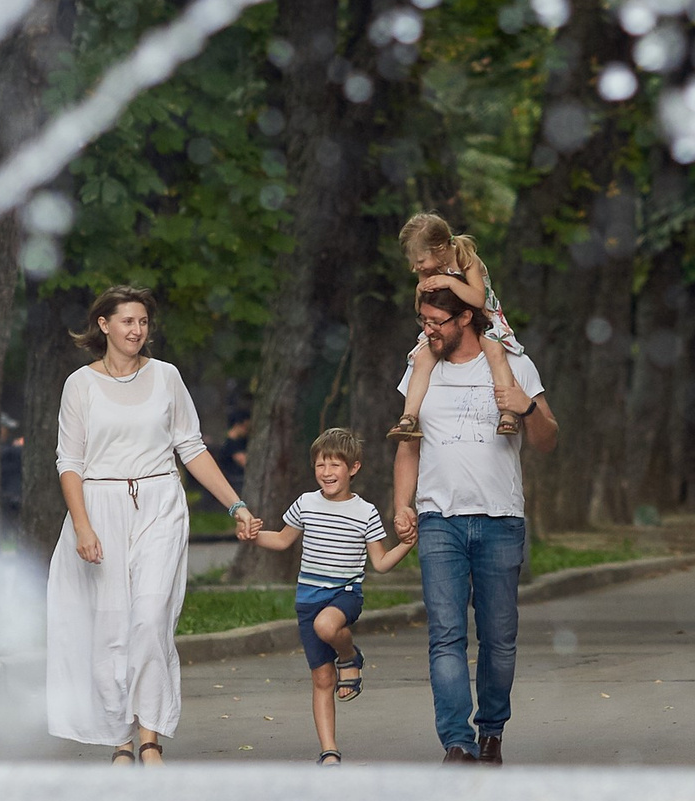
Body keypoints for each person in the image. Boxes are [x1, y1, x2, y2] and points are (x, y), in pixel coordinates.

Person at [45, 285, 259, 764]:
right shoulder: (79, 385)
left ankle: (149, 737)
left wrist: (235, 505)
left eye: (143, 322)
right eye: (127, 321)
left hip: (160, 500)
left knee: (148, 619)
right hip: (100, 506)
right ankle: (120, 738)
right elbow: (70, 461)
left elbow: (193, 448)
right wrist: (82, 525)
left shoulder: (167, 377)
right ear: (104, 325)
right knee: (112, 628)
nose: (136, 331)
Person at [392, 284, 557, 765]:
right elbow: (408, 445)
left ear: (465, 317)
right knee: (445, 634)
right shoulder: (420, 368)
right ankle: (457, 743)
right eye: (423, 320)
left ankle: (491, 730)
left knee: (499, 638)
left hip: (500, 520)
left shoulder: (513, 364)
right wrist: (402, 505)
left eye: (436, 322)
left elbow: (548, 439)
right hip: (439, 519)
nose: (427, 330)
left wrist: (525, 406)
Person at [237, 427, 415, 765]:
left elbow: (379, 563)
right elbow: (281, 540)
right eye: (321, 465)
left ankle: (350, 657)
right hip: (307, 598)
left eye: (335, 465)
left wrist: (406, 544)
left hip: (344, 594)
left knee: (327, 626)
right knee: (321, 678)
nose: (327, 473)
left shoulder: (365, 512)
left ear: (354, 468)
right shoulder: (306, 503)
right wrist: (251, 537)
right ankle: (329, 751)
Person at [388, 214, 528, 442]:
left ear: (440, 248)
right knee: (422, 358)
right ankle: (409, 417)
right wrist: (421, 291)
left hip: (483, 318)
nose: (415, 267)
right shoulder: (427, 268)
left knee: (494, 350)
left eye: (420, 261)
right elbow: (422, 305)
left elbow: (478, 299)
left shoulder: (466, 259)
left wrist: (450, 282)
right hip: (448, 323)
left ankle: (507, 413)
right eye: (413, 262)